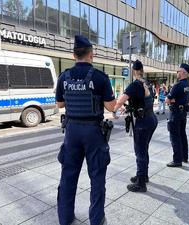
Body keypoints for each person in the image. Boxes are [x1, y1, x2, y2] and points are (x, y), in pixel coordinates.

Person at [56, 35, 116, 225]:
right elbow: (111, 107)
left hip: (72, 131)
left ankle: (65, 219)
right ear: (92, 54)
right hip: (93, 133)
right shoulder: (100, 77)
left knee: (68, 177)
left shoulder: (63, 77)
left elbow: (60, 104)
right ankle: (96, 220)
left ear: (73, 54)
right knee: (97, 178)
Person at [113, 60, 158, 192]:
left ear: (133, 71)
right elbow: (142, 101)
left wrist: (114, 110)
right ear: (142, 70)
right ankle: (143, 176)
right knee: (144, 149)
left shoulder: (134, 85)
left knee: (140, 152)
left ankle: (141, 183)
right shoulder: (147, 83)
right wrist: (128, 108)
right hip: (151, 119)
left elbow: (121, 99)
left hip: (143, 122)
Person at [165, 63, 189, 167]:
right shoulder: (188, 85)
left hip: (175, 114)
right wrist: (175, 99)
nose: (177, 73)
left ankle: (177, 160)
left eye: (178, 71)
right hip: (183, 113)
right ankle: (184, 157)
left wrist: (172, 99)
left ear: (183, 73)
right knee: (182, 135)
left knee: (175, 137)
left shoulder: (178, 85)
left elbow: (167, 100)